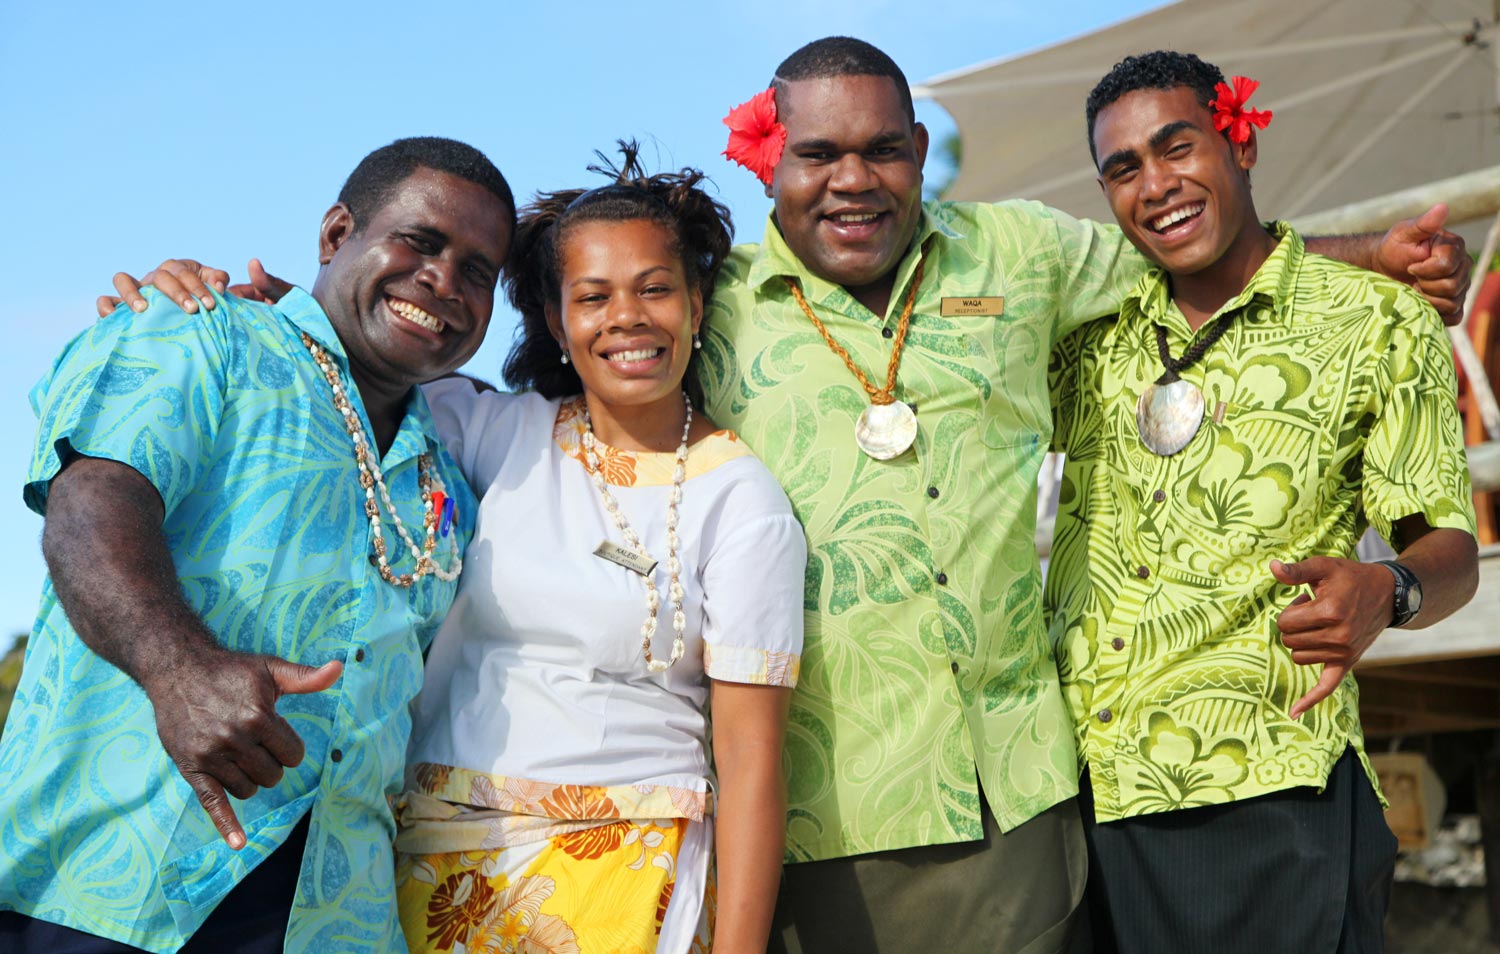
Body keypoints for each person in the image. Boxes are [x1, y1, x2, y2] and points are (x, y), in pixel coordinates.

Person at [103, 36, 1474, 954]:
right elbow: (418, 346)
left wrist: (1361, 255)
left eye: (884, 148)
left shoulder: (1028, 252)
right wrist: (271, 298)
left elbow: (1188, 246)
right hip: (810, 811)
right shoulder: (703, 310)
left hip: (1024, 797)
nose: (855, 177)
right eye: (819, 154)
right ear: (769, 160)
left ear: (915, 153)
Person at [0, 137, 513, 953]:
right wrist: (178, 670)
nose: (445, 281)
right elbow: (89, 502)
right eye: (420, 242)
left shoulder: (448, 473)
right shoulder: (200, 333)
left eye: (480, 271)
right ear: (336, 234)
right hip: (115, 887)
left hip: (336, 923)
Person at [1044, 51, 1479, 953]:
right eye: (1124, 169)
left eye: (1177, 147)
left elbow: (1451, 548)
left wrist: (1386, 590)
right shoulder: (1084, 339)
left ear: (1239, 140)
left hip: (1274, 787)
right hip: (1085, 793)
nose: (1156, 185)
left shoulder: (1377, 322)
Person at [392, 147, 804, 954]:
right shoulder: (485, 433)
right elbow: (337, 376)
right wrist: (232, 303)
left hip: (632, 885)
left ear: (695, 301)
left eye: (655, 289)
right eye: (593, 296)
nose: (628, 318)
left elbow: (752, 759)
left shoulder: (740, 500)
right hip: (433, 877)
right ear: (556, 319)